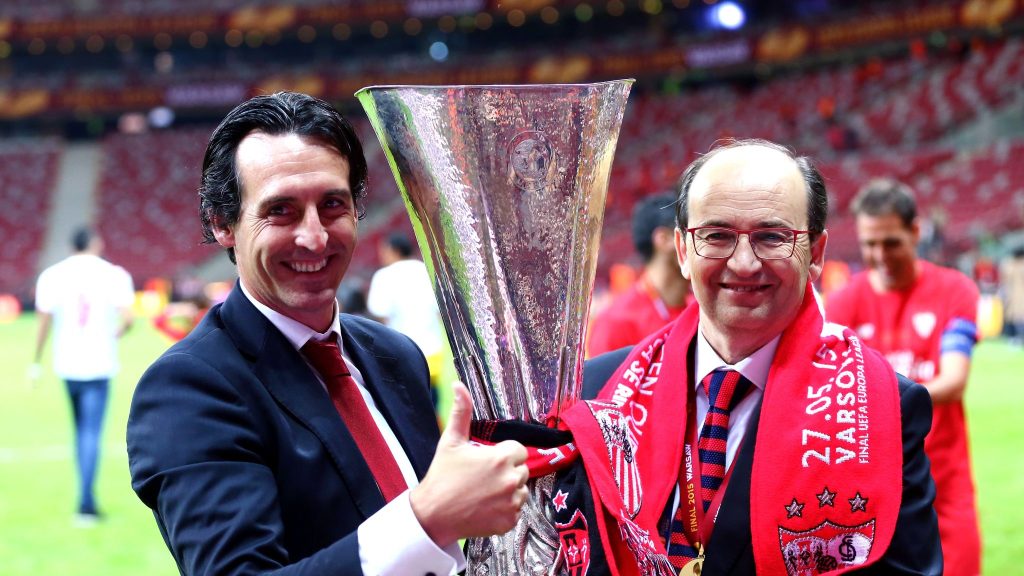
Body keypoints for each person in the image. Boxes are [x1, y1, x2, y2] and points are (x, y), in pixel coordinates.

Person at [126, 92, 528, 576]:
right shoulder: (188, 391)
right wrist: (426, 519)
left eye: (332, 204)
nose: (314, 237)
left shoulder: (396, 356)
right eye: (281, 211)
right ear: (222, 224)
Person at [550, 139, 942, 575]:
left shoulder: (882, 410)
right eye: (716, 236)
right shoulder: (594, 394)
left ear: (816, 254)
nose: (743, 262)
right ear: (682, 251)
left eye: (771, 237)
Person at [826, 178, 981, 576]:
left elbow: (954, 380)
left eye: (891, 242)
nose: (880, 255)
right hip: (869, 496)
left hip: (946, 487)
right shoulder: (841, 305)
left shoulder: (954, 290)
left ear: (915, 232)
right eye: (869, 244)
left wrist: (869, 401)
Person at [32, 226, 135, 524]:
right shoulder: (113, 274)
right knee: (91, 432)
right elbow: (128, 317)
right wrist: (116, 333)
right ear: (95, 243)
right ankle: (86, 504)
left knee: (79, 431)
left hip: (67, 362)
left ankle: (85, 496)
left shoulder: (52, 275)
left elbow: (43, 323)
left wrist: (35, 362)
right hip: (99, 363)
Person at [587, 192, 691, 357]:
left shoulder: (702, 311)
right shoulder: (615, 323)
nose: (702, 243)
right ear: (664, 239)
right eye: (690, 233)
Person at [366, 232, 447, 392]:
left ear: (394, 250)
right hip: (433, 348)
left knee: (414, 399)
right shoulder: (423, 269)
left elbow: (379, 311)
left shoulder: (383, 276)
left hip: (404, 350)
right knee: (433, 396)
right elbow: (439, 309)